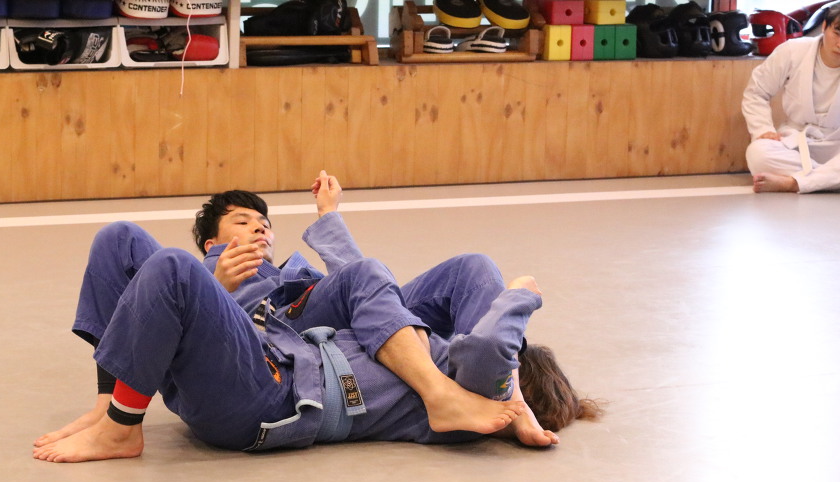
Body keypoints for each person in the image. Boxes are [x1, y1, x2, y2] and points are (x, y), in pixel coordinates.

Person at [34, 172, 601, 462]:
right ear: (212, 240)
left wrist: (330, 218)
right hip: (252, 343)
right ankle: (109, 405)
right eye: (241, 222)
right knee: (121, 239)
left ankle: (492, 391)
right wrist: (216, 282)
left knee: (470, 266)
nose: (259, 228)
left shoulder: (294, 273)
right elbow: (187, 314)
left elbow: (366, 288)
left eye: (264, 223)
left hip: (298, 335)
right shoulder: (200, 270)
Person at [743, 2, 840, 193]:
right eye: (837, 33)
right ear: (824, 27)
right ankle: (827, 179)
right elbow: (757, 91)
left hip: (837, 144)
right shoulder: (792, 51)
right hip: (797, 142)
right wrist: (763, 128)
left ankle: (793, 183)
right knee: (758, 153)